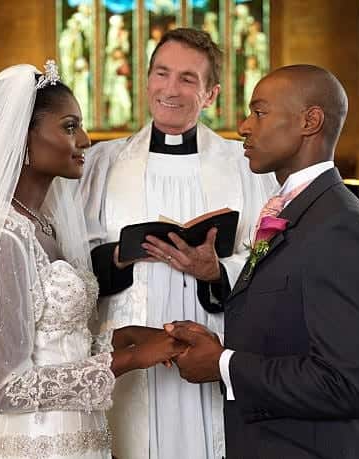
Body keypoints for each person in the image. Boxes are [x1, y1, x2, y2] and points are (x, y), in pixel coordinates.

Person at [0, 61, 186, 459]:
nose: (86, 140)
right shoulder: (2, 237)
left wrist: (121, 339)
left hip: (84, 439)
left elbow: (61, 342)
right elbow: (9, 389)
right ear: (21, 139)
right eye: (69, 127)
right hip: (35, 445)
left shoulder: (48, 226)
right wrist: (128, 359)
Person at [165, 64, 359, 458]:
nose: (242, 126)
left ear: (310, 121)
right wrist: (216, 347)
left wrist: (223, 364)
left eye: (259, 112)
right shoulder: (299, 210)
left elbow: (346, 383)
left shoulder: (342, 228)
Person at [79, 28, 278, 459]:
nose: (170, 89)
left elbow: (269, 254)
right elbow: (71, 259)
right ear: (146, 79)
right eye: (161, 74)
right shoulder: (102, 164)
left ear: (211, 94)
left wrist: (218, 269)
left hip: (214, 341)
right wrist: (118, 254)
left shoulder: (246, 168)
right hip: (129, 347)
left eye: (188, 79)